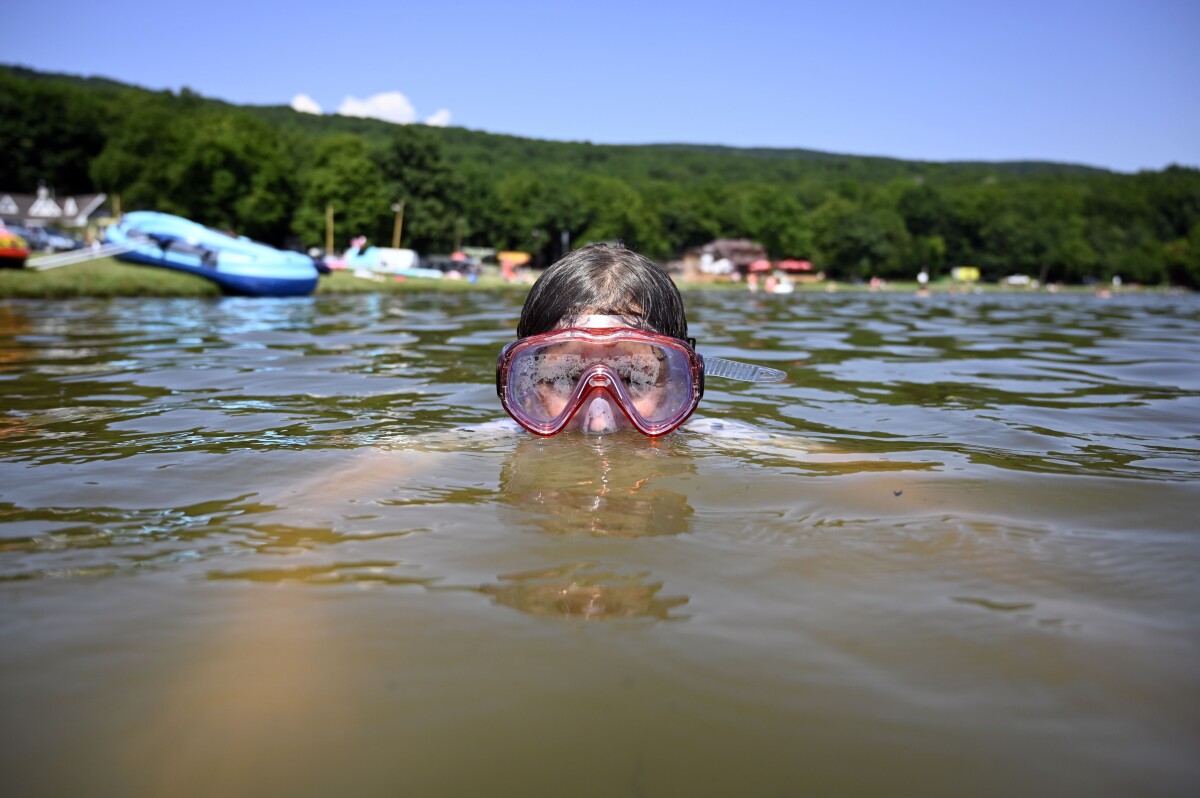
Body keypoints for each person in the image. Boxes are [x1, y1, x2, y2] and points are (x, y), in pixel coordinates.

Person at [496, 243, 785, 437]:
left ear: (678, 383)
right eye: (564, 377)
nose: (600, 426)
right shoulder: (485, 443)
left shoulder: (721, 439)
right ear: (527, 383)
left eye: (635, 378)